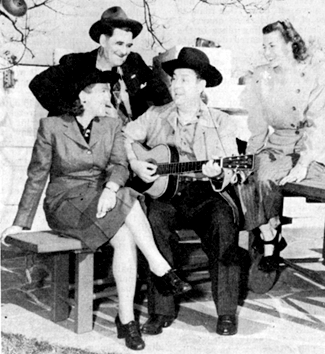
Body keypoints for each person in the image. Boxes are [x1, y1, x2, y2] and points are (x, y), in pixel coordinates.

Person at [1, 76, 191, 351]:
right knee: (129, 198)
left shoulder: (112, 125)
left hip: (102, 199)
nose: (109, 97)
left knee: (125, 236)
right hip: (64, 202)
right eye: (103, 91)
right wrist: (20, 223)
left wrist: (111, 188)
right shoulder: (52, 126)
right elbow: (37, 175)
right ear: (83, 95)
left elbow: (119, 165)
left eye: (109, 91)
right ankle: (158, 265)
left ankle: (126, 321)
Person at [123, 47, 246, 336]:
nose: (176, 85)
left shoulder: (221, 122)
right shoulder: (155, 115)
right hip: (167, 196)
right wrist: (136, 163)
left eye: (184, 79)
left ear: (201, 86)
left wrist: (220, 174)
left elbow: (234, 168)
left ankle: (226, 312)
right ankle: (160, 311)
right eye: (174, 78)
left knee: (223, 224)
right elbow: (123, 136)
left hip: (207, 194)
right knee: (153, 222)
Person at [239, 19, 325, 273]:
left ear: (290, 44)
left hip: (313, 147)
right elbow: (257, 127)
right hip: (278, 146)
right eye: (264, 47)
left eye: (273, 46)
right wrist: (248, 160)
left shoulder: (313, 73)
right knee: (255, 178)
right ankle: (270, 237)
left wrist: (303, 163)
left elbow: (317, 124)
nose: (267, 53)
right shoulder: (262, 78)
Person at [29, 6, 171, 123]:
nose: (124, 51)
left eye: (128, 45)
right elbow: (38, 84)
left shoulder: (134, 62)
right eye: (119, 44)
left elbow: (162, 95)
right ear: (103, 41)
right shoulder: (76, 64)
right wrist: (75, 113)